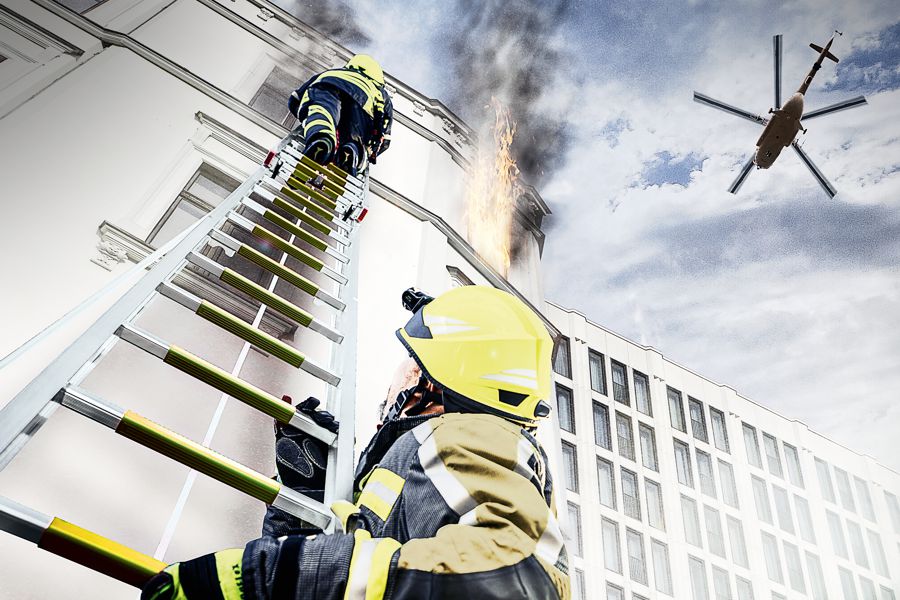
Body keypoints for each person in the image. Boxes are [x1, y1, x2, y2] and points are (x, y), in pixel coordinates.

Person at [141, 286, 571, 600]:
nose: (394, 381)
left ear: (436, 381)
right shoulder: (421, 461)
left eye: (411, 365)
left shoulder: (463, 436)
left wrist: (266, 574)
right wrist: (306, 499)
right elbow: (373, 570)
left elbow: (515, 577)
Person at [287, 54, 393, 176]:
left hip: (329, 84)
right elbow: (384, 137)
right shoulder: (381, 93)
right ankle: (351, 155)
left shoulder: (335, 72)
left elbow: (295, 98)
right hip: (364, 105)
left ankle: (322, 138)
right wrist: (371, 151)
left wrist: (305, 117)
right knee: (355, 138)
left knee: (322, 114)